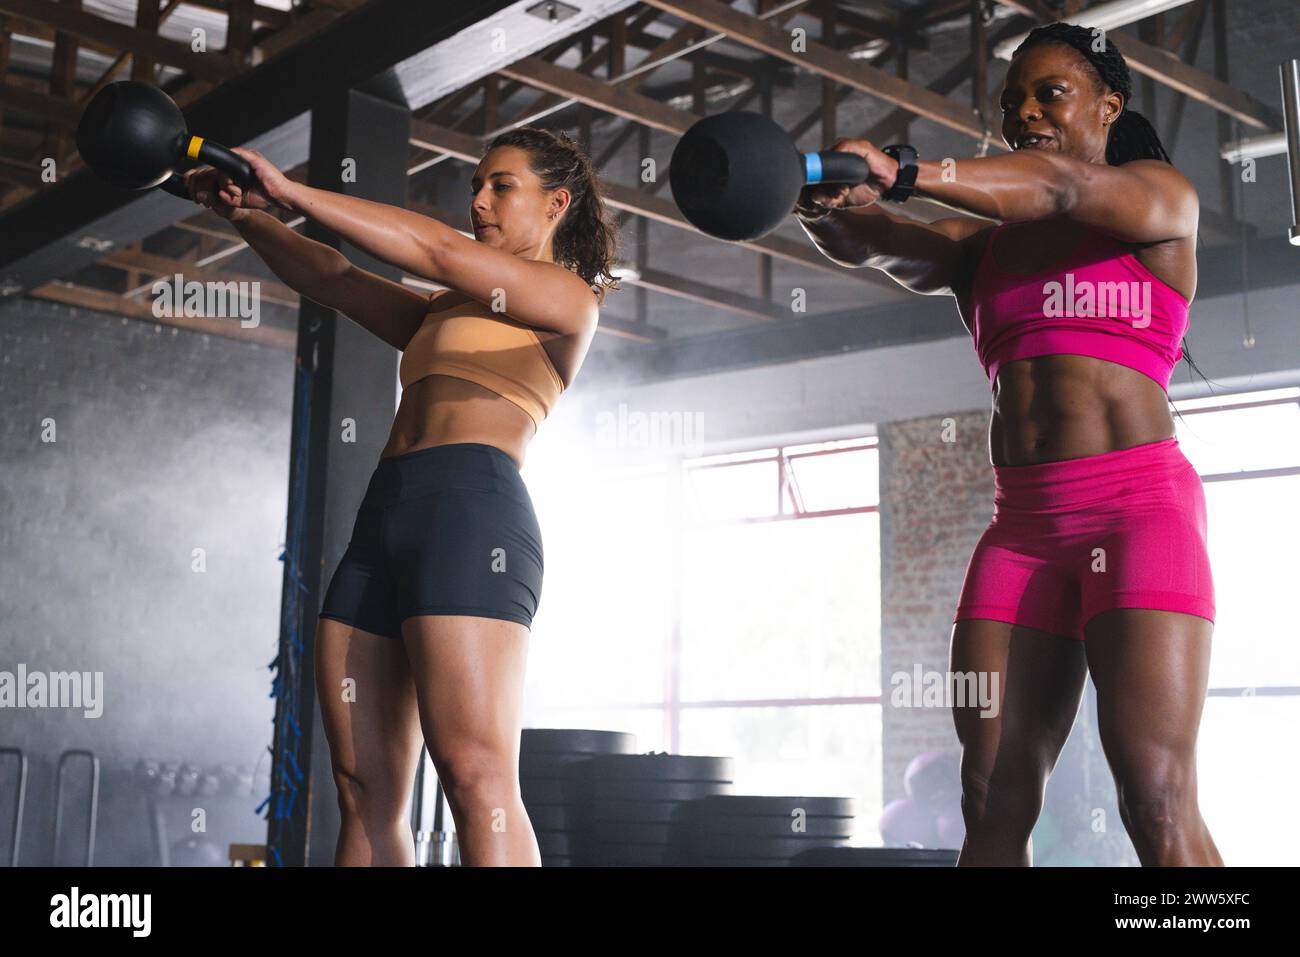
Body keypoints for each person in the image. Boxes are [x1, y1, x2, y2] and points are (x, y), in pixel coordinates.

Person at [794, 22, 1220, 866]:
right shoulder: (984, 246)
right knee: (990, 793)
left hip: (1136, 514)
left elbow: (1061, 186)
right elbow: (876, 242)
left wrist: (908, 168)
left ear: (1109, 104)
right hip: (1022, 531)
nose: (1024, 111)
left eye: (1048, 93)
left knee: (1156, 799)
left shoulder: (1160, 202)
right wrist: (824, 206)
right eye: (1011, 101)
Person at [184, 126, 618, 865]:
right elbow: (333, 279)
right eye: (475, 186)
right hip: (384, 517)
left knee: (476, 777)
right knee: (364, 788)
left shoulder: (566, 299)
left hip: (470, 515)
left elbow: (438, 249)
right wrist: (249, 217)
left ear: (557, 203)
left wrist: (289, 190)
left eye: (500, 186)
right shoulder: (444, 312)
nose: (478, 199)